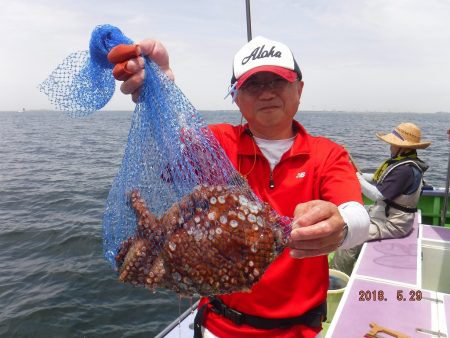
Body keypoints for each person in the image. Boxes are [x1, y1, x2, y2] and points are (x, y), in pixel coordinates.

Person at [108, 36, 370, 338]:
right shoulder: (216, 144)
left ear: (299, 88)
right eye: (253, 85)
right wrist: (159, 88)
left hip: (298, 331)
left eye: (278, 81)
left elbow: (358, 218)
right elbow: (161, 153)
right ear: (235, 96)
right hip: (218, 327)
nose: (267, 92)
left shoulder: (328, 154)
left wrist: (341, 226)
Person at [332, 122, 430, 275]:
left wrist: (357, 179)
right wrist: (360, 176)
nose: (390, 147)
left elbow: (377, 195)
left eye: (393, 144)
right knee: (349, 215)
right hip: (386, 215)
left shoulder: (404, 170)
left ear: (402, 147)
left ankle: (336, 279)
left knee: (348, 237)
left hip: (393, 223)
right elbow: (378, 179)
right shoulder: (404, 164)